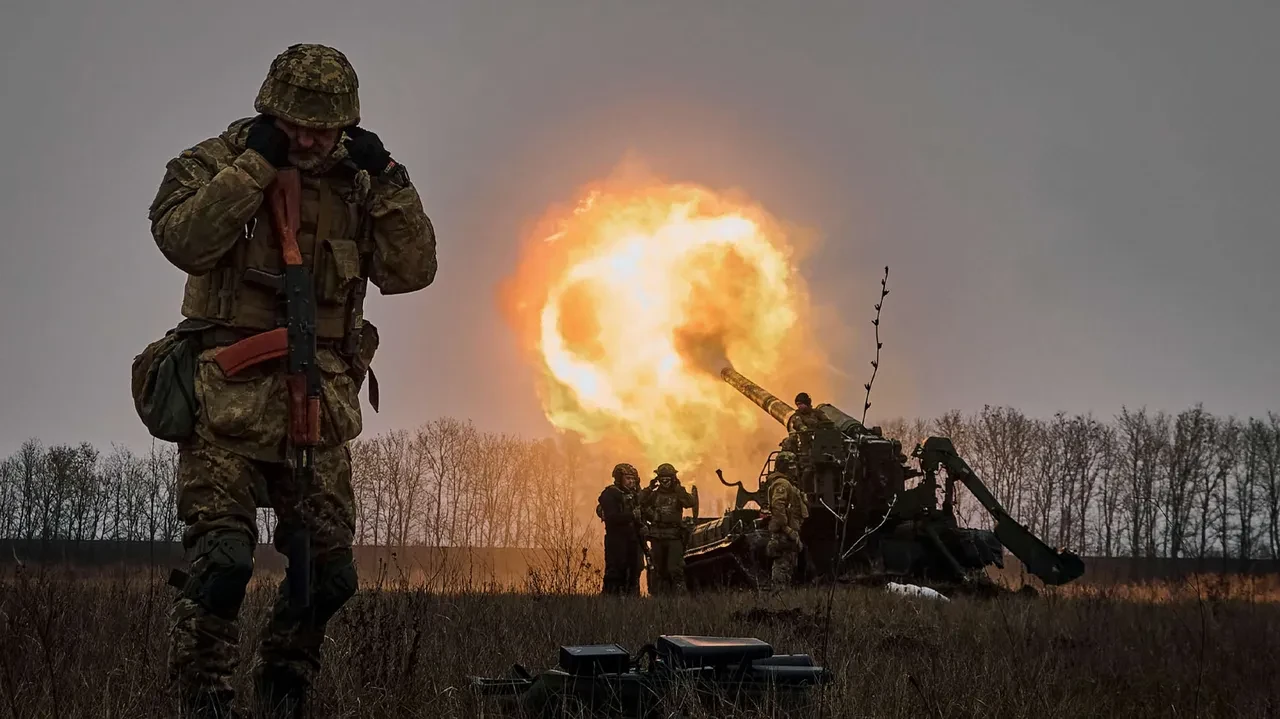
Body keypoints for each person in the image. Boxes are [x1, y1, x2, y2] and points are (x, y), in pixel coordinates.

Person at [142, 43, 437, 718]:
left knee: (329, 574)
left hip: (319, 405)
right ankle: (204, 697)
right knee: (222, 563)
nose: (307, 139)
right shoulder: (216, 162)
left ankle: (283, 683)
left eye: (323, 129)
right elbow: (183, 240)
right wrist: (254, 167)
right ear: (271, 111)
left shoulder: (362, 182)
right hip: (226, 405)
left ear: (346, 125)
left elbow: (413, 269)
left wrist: (391, 179)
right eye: (296, 125)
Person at [638, 463, 697, 595]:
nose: (665, 482)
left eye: (668, 479)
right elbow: (638, 502)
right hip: (657, 537)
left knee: (675, 569)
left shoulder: (678, 494)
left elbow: (691, 502)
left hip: (674, 537)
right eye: (662, 479)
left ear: (673, 478)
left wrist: (679, 489)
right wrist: (649, 489)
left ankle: (679, 599)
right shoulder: (653, 495)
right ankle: (661, 598)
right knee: (659, 570)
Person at [596, 463, 644, 596]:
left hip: (632, 538)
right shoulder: (610, 494)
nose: (631, 481)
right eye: (628, 478)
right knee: (616, 572)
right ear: (619, 478)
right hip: (616, 539)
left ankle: (632, 600)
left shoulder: (634, 495)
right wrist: (631, 516)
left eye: (633, 479)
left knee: (634, 571)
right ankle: (611, 600)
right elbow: (611, 518)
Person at [765, 451, 808, 589]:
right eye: (792, 465)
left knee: (788, 565)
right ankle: (779, 596)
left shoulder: (787, 484)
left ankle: (783, 596)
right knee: (782, 567)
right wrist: (788, 530)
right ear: (786, 467)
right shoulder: (782, 484)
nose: (795, 468)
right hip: (784, 534)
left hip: (789, 534)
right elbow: (778, 506)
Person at [785, 392, 835, 490]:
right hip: (806, 452)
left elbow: (828, 423)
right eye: (798, 405)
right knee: (807, 474)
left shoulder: (817, 413)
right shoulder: (797, 416)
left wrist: (824, 427)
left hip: (822, 449)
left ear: (807, 403)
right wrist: (804, 429)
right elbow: (798, 424)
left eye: (801, 404)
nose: (799, 407)